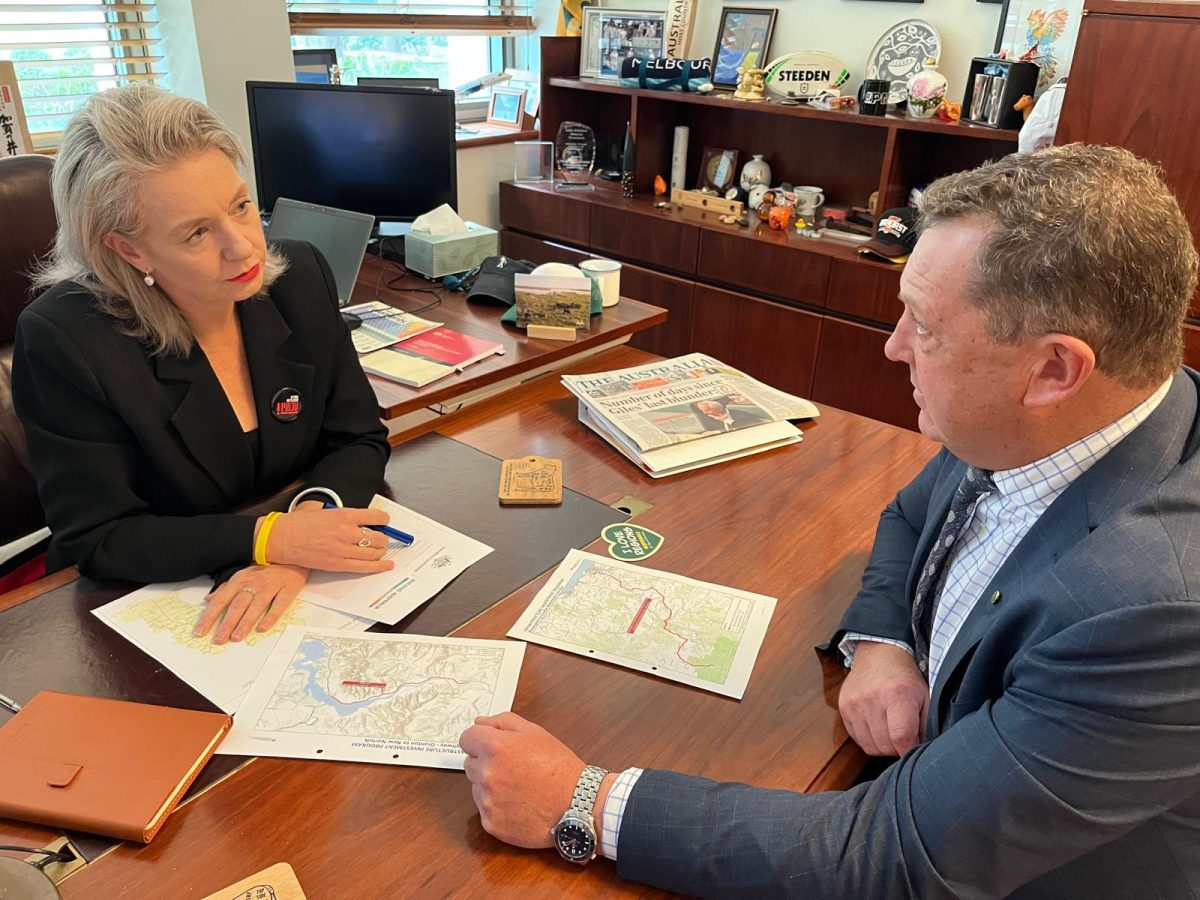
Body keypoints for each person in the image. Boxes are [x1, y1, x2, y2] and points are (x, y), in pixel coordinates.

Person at [460, 144, 1200, 896]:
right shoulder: (1063, 418)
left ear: (1052, 371)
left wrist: (582, 800)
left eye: (924, 326)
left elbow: (892, 859)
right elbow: (913, 516)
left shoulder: (1156, 613)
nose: (893, 347)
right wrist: (883, 644)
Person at [13, 85, 394, 645]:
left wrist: (305, 536)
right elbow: (98, 537)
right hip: (151, 608)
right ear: (129, 251)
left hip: (299, 597)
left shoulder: (301, 278)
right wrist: (269, 540)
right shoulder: (66, 339)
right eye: (196, 233)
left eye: (240, 206)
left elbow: (359, 437)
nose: (243, 248)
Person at [688, 396, 770, 432]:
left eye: (707, 410)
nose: (705, 413)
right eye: (703, 411)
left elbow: (751, 426)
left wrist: (726, 419)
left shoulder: (742, 415)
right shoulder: (714, 418)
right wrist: (717, 432)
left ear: (719, 410)